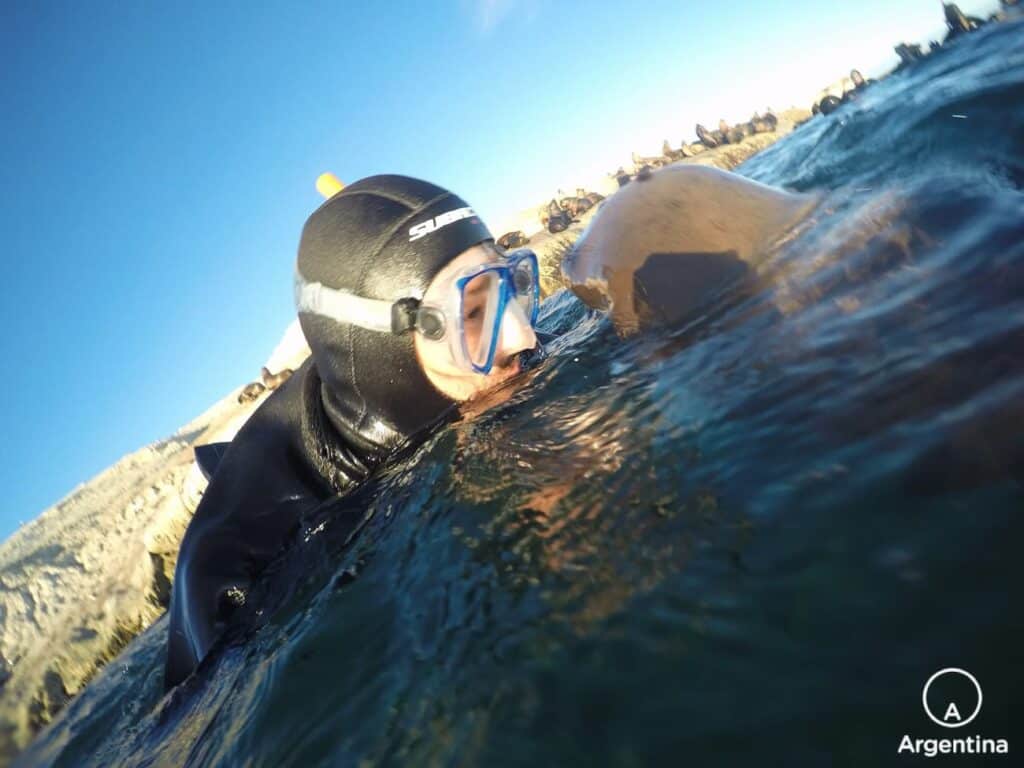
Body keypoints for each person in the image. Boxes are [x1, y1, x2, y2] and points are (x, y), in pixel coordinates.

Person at [164, 175, 539, 688]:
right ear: (386, 354)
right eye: (473, 313)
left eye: (510, 288)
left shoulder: (494, 368)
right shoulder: (232, 585)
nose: (524, 335)